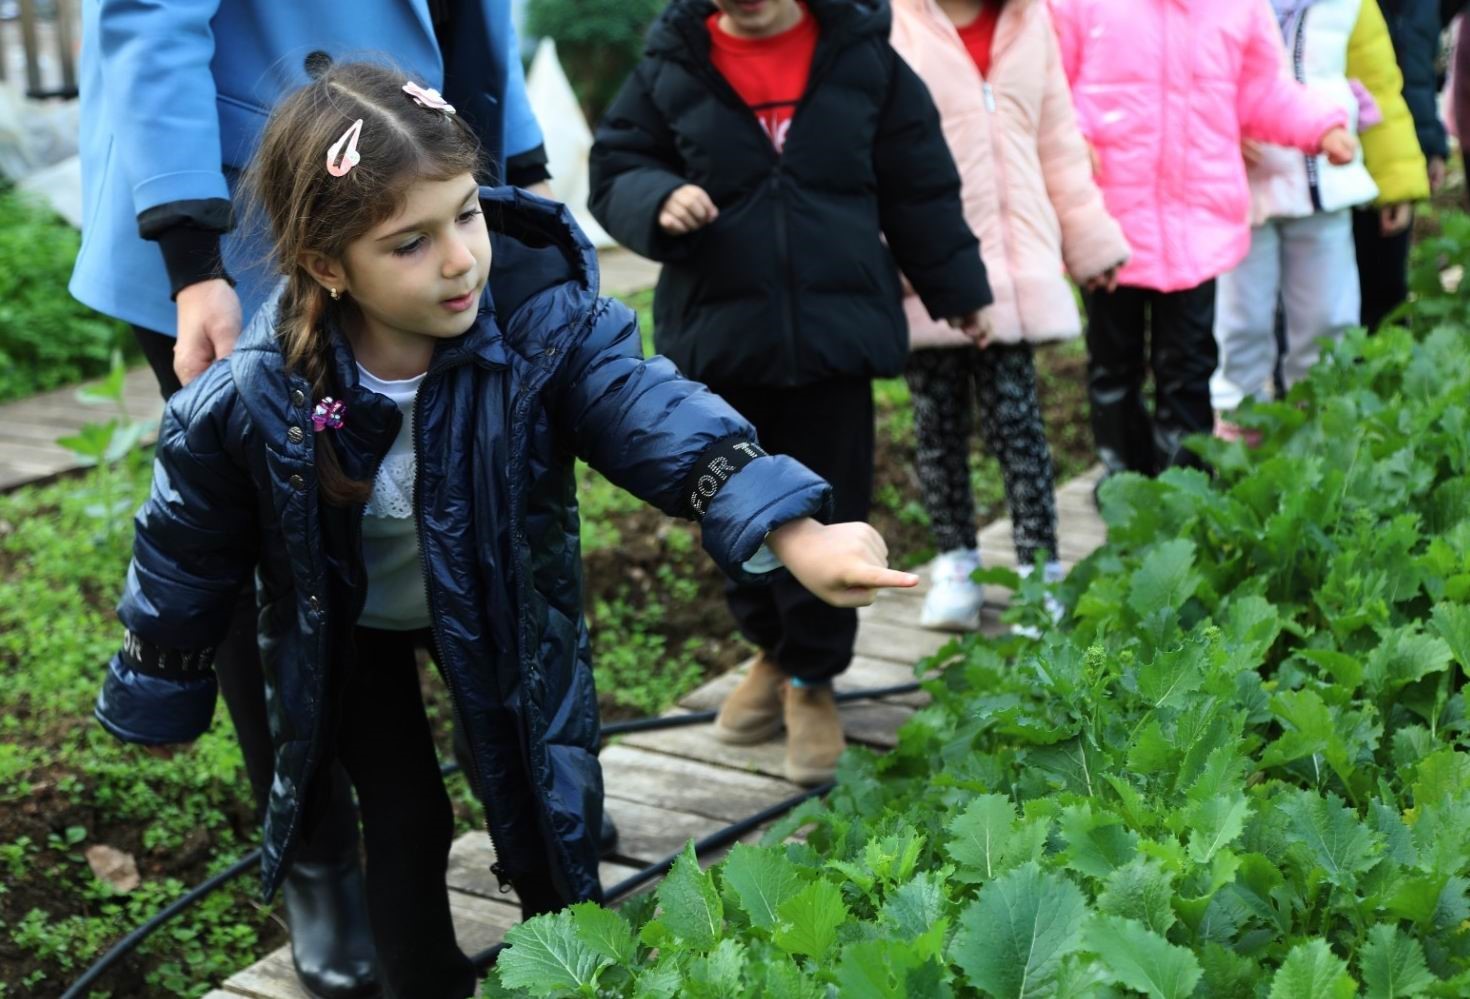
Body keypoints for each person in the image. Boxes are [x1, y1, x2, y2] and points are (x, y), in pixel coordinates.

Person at [92, 62, 919, 999]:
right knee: (404, 815)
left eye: (467, 215)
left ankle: (571, 968)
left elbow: (654, 413)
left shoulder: (542, 332)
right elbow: (185, 541)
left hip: (496, 604)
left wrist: (799, 533)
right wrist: (159, 685)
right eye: (409, 243)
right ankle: (426, 980)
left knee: (542, 796)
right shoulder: (256, 393)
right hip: (351, 628)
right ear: (330, 266)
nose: (458, 260)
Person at [67, 4, 547, 994]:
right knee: (274, 535)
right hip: (245, 202)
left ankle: (529, 798)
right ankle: (319, 855)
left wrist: (516, 167)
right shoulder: (222, 254)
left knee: (439, 485)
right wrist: (190, 262)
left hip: (411, 170)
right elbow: (151, 18)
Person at [588, 0, 992, 786]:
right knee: (735, 510)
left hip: (833, 338)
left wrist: (958, 288)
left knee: (829, 511)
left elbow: (920, 182)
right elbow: (616, 167)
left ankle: (812, 679)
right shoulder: (673, 61)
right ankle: (770, 651)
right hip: (721, 341)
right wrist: (657, 197)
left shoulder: (861, 52)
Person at [888, 0, 1129, 631]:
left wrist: (1089, 241)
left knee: (1018, 426)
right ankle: (956, 562)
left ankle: (1037, 573)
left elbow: (1057, 143)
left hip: (1014, 269)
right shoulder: (891, 24)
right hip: (930, 266)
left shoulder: (1030, 23)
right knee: (937, 429)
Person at [1048, 0, 1357, 483]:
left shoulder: (1237, 8)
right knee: (1114, 365)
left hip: (1195, 226)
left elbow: (1263, 91)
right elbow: (1050, 86)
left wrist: (1322, 127)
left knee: (1189, 365)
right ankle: (1123, 483)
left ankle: (1181, 488)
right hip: (1110, 226)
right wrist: (1071, 138)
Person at [1214, 0, 1427, 424]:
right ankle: (1238, 443)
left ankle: (1322, 432)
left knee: (1330, 321)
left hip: (1326, 186)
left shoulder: (1352, 4)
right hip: (1246, 191)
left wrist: (1394, 184)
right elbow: (1195, 78)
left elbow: (1379, 87)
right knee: (1242, 325)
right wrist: (1222, 129)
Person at [1355, 0, 1446, 330]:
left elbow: (1423, 75)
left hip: (1400, 155)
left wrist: (1430, 144)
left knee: (1388, 290)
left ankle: (1385, 373)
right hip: (1343, 155)